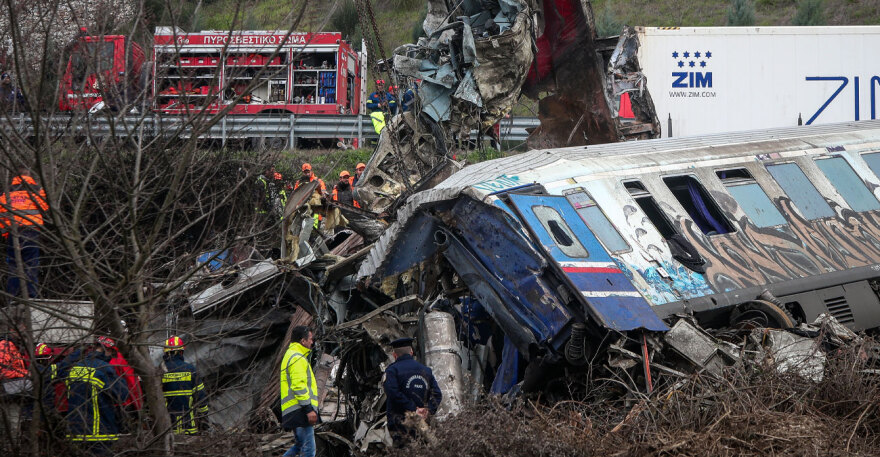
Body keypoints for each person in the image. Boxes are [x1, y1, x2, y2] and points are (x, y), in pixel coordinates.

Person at [62, 341, 129, 455]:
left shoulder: (76, 367)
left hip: (75, 432)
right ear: (106, 350)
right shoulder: (104, 368)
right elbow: (121, 395)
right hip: (99, 432)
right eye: (111, 353)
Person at [382, 337, 442, 447]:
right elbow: (437, 394)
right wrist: (427, 411)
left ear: (395, 355)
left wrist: (414, 409)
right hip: (423, 424)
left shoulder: (392, 370)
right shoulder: (426, 370)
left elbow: (393, 393)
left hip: (400, 424)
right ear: (411, 352)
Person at [0, 167, 49, 299]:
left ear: (14, 176)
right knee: (31, 264)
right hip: (31, 231)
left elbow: (2, 217)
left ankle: (12, 298)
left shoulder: (6, 194)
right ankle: (32, 298)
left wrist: (5, 235)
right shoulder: (37, 190)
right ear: (29, 174)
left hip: (13, 233)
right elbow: (45, 207)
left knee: (14, 266)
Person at [280, 326, 319, 457]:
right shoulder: (297, 358)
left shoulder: (291, 354)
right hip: (300, 410)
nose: (312, 342)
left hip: (294, 410)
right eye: (311, 339)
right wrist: (309, 409)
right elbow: (298, 385)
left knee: (300, 445)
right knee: (309, 450)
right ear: (303, 341)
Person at [160, 335, 208, 435]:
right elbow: (201, 398)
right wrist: (204, 421)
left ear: (166, 352)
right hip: (188, 427)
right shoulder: (191, 369)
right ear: (181, 352)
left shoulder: (159, 371)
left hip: (166, 429)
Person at [96, 336, 143, 414]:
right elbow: (132, 383)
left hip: (116, 405)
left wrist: (138, 406)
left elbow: (132, 383)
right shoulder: (118, 361)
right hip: (117, 404)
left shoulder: (117, 362)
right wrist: (139, 407)